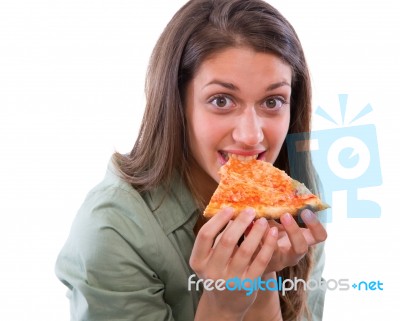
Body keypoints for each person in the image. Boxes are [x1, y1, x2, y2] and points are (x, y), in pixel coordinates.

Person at [55, 0, 328, 320]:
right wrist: (223, 307)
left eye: (272, 101)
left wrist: (263, 276)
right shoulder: (112, 229)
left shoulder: (296, 199)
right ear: (177, 103)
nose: (251, 136)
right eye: (222, 100)